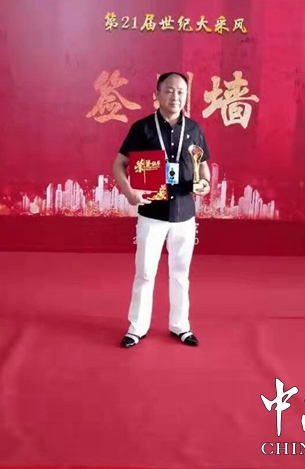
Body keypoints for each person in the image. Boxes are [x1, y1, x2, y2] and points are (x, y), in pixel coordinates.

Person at [112, 72, 212, 348]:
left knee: (180, 273)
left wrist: (205, 183)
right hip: (151, 213)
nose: (175, 96)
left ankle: (181, 326)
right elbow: (118, 165)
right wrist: (129, 192)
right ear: (156, 94)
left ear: (186, 96)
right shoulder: (142, 128)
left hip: (184, 213)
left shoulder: (194, 129)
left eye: (181, 91)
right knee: (145, 272)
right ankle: (137, 327)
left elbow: (203, 166)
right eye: (169, 90)